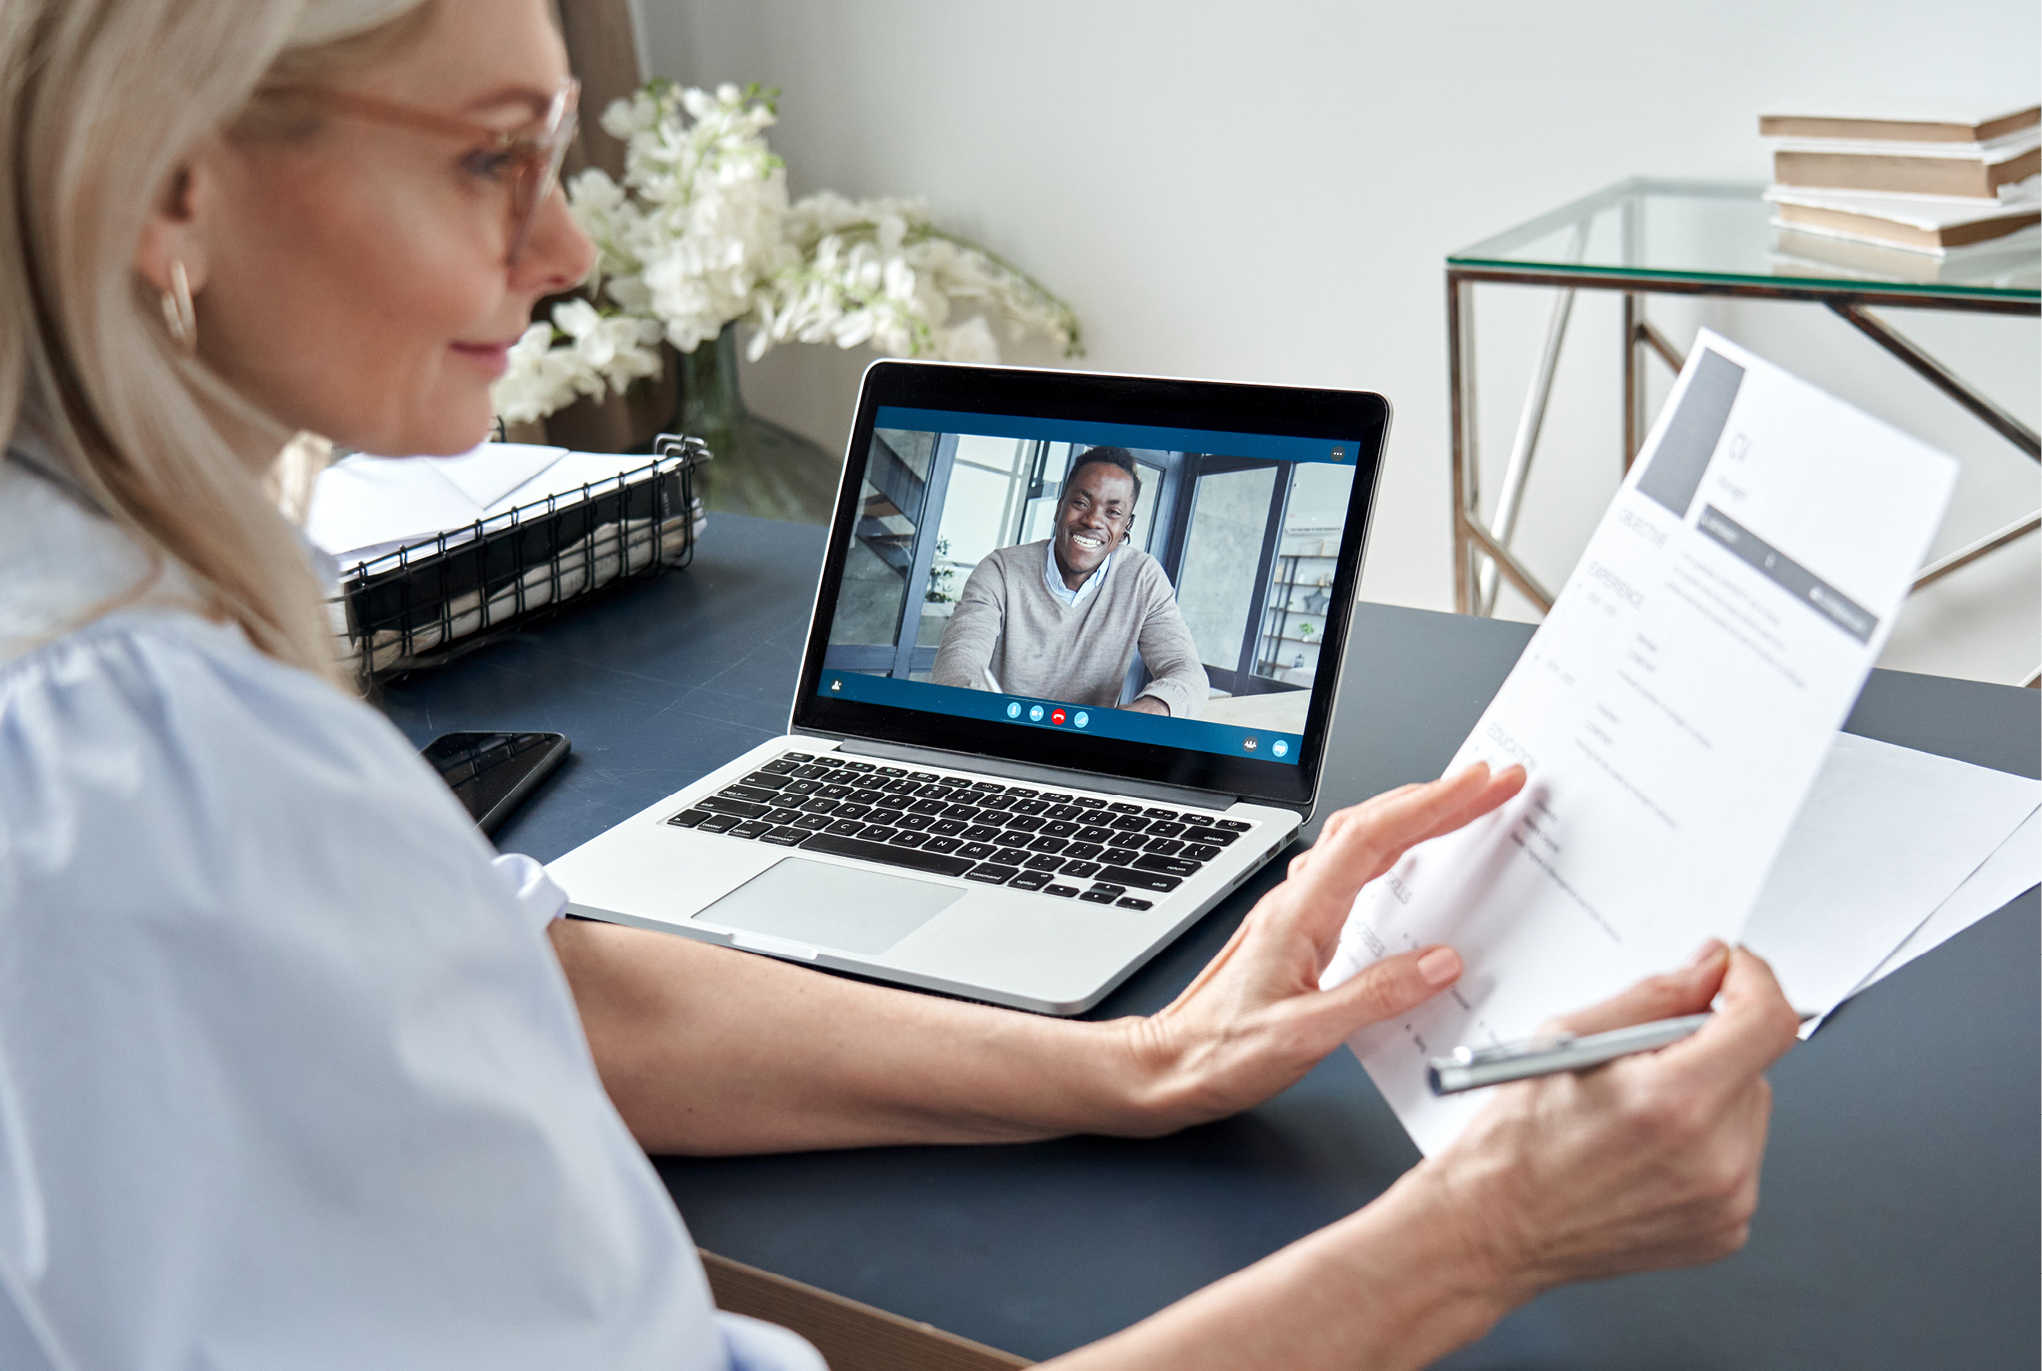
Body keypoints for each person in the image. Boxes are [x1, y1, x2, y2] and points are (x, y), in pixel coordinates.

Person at [0, 2, 1802, 1368]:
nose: (563, 256)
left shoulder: (91, 623)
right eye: (492, 158)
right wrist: (1482, 1238)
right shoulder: (151, 768)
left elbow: (543, 983)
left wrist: (1135, 1060)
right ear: (172, 176)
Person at [930, 446, 1209, 717]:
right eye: (1081, 503)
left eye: (1113, 512)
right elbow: (957, 663)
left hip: (1086, 750)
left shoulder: (1143, 579)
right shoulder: (1000, 570)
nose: (1092, 521)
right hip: (997, 735)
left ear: (1126, 527)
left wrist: (1154, 706)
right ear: (1059, 507)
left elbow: (1187, 671)